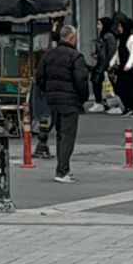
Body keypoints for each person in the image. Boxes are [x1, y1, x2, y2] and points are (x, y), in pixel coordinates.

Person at [36, 22, 90, 182]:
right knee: (67, 136)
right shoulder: (76, 57)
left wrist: (48, 91)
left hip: (53, 101)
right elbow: (81, 81)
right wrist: (82, 98)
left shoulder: (49, 55)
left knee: (60, 134)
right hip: (70, 101)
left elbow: (39, 77)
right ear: (72, 38)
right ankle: (62, 171)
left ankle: (62, 169)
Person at [109, 14, 133, 115]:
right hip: (122, 67)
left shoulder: (132, 38)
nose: (119, 28)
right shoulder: (120, 39)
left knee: (132, 88)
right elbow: (117, 53)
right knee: (120, 87)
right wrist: (112, 63)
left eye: (120, 26)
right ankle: (128, 107)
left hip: (131, 68)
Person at [87, 15, 119, 111]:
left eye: (99, 24)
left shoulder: (109, 36)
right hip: (101, 64)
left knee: (108, 85)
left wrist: (108, 65)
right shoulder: (103, 35)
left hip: (105, 65)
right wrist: (97, 55)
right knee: (97, 82)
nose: (97, 26)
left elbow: (111, 51)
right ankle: (100, 102)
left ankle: (112, 104)